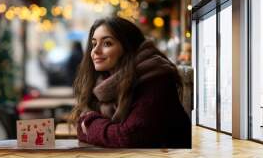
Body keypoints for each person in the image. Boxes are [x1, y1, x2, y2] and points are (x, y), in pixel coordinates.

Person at [69, 17, 191, 148]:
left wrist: (91, 125)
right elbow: (81, 126)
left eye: (107, 43)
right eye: (94, 44)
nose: (95, 51)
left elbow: (129, 137)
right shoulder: (104, 83)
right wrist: (91, 126)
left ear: (128, 47)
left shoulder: (155, 78)